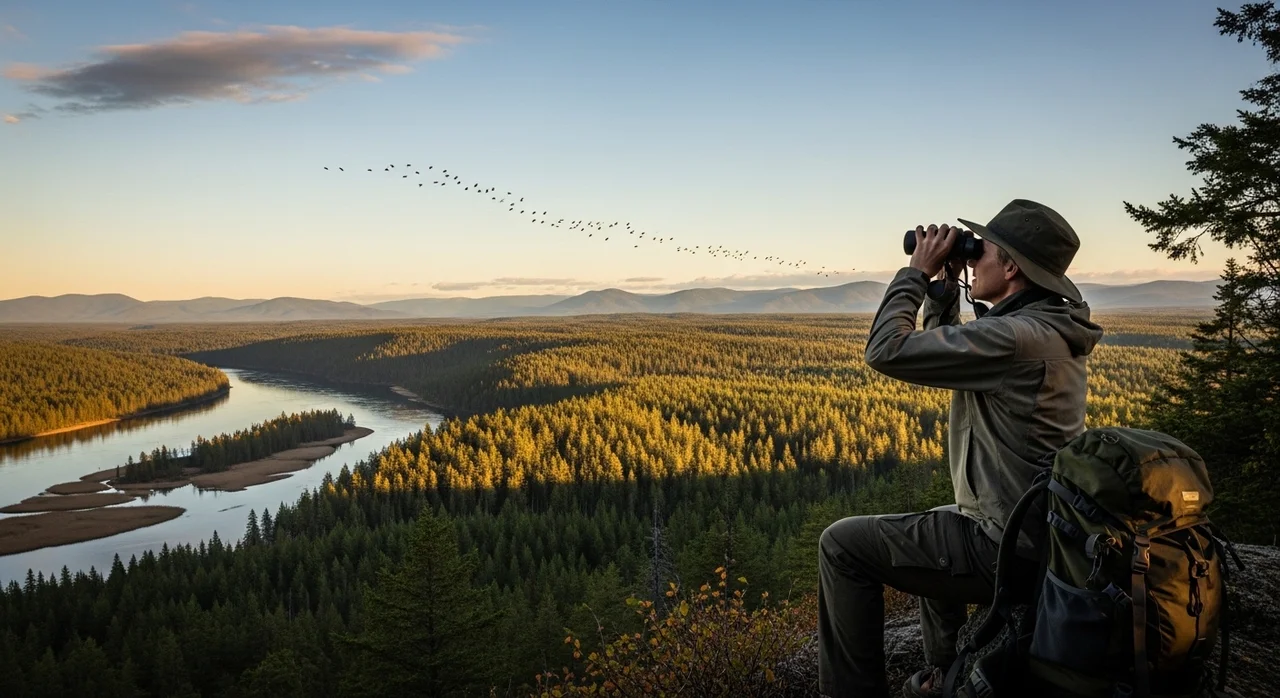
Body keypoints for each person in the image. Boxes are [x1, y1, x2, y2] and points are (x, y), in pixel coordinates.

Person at [817, 199, 1104, 698]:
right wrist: (945, 290)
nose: (972, 258)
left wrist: (916, 274)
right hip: (1036, 530)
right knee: (936, 522)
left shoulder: (1014, 337)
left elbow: (886, 351)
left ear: (1011, 268)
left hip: (1008, 544)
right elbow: (948, 350)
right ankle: (948, 674)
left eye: (981, 250)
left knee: (841, 545)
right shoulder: (1041, 326)